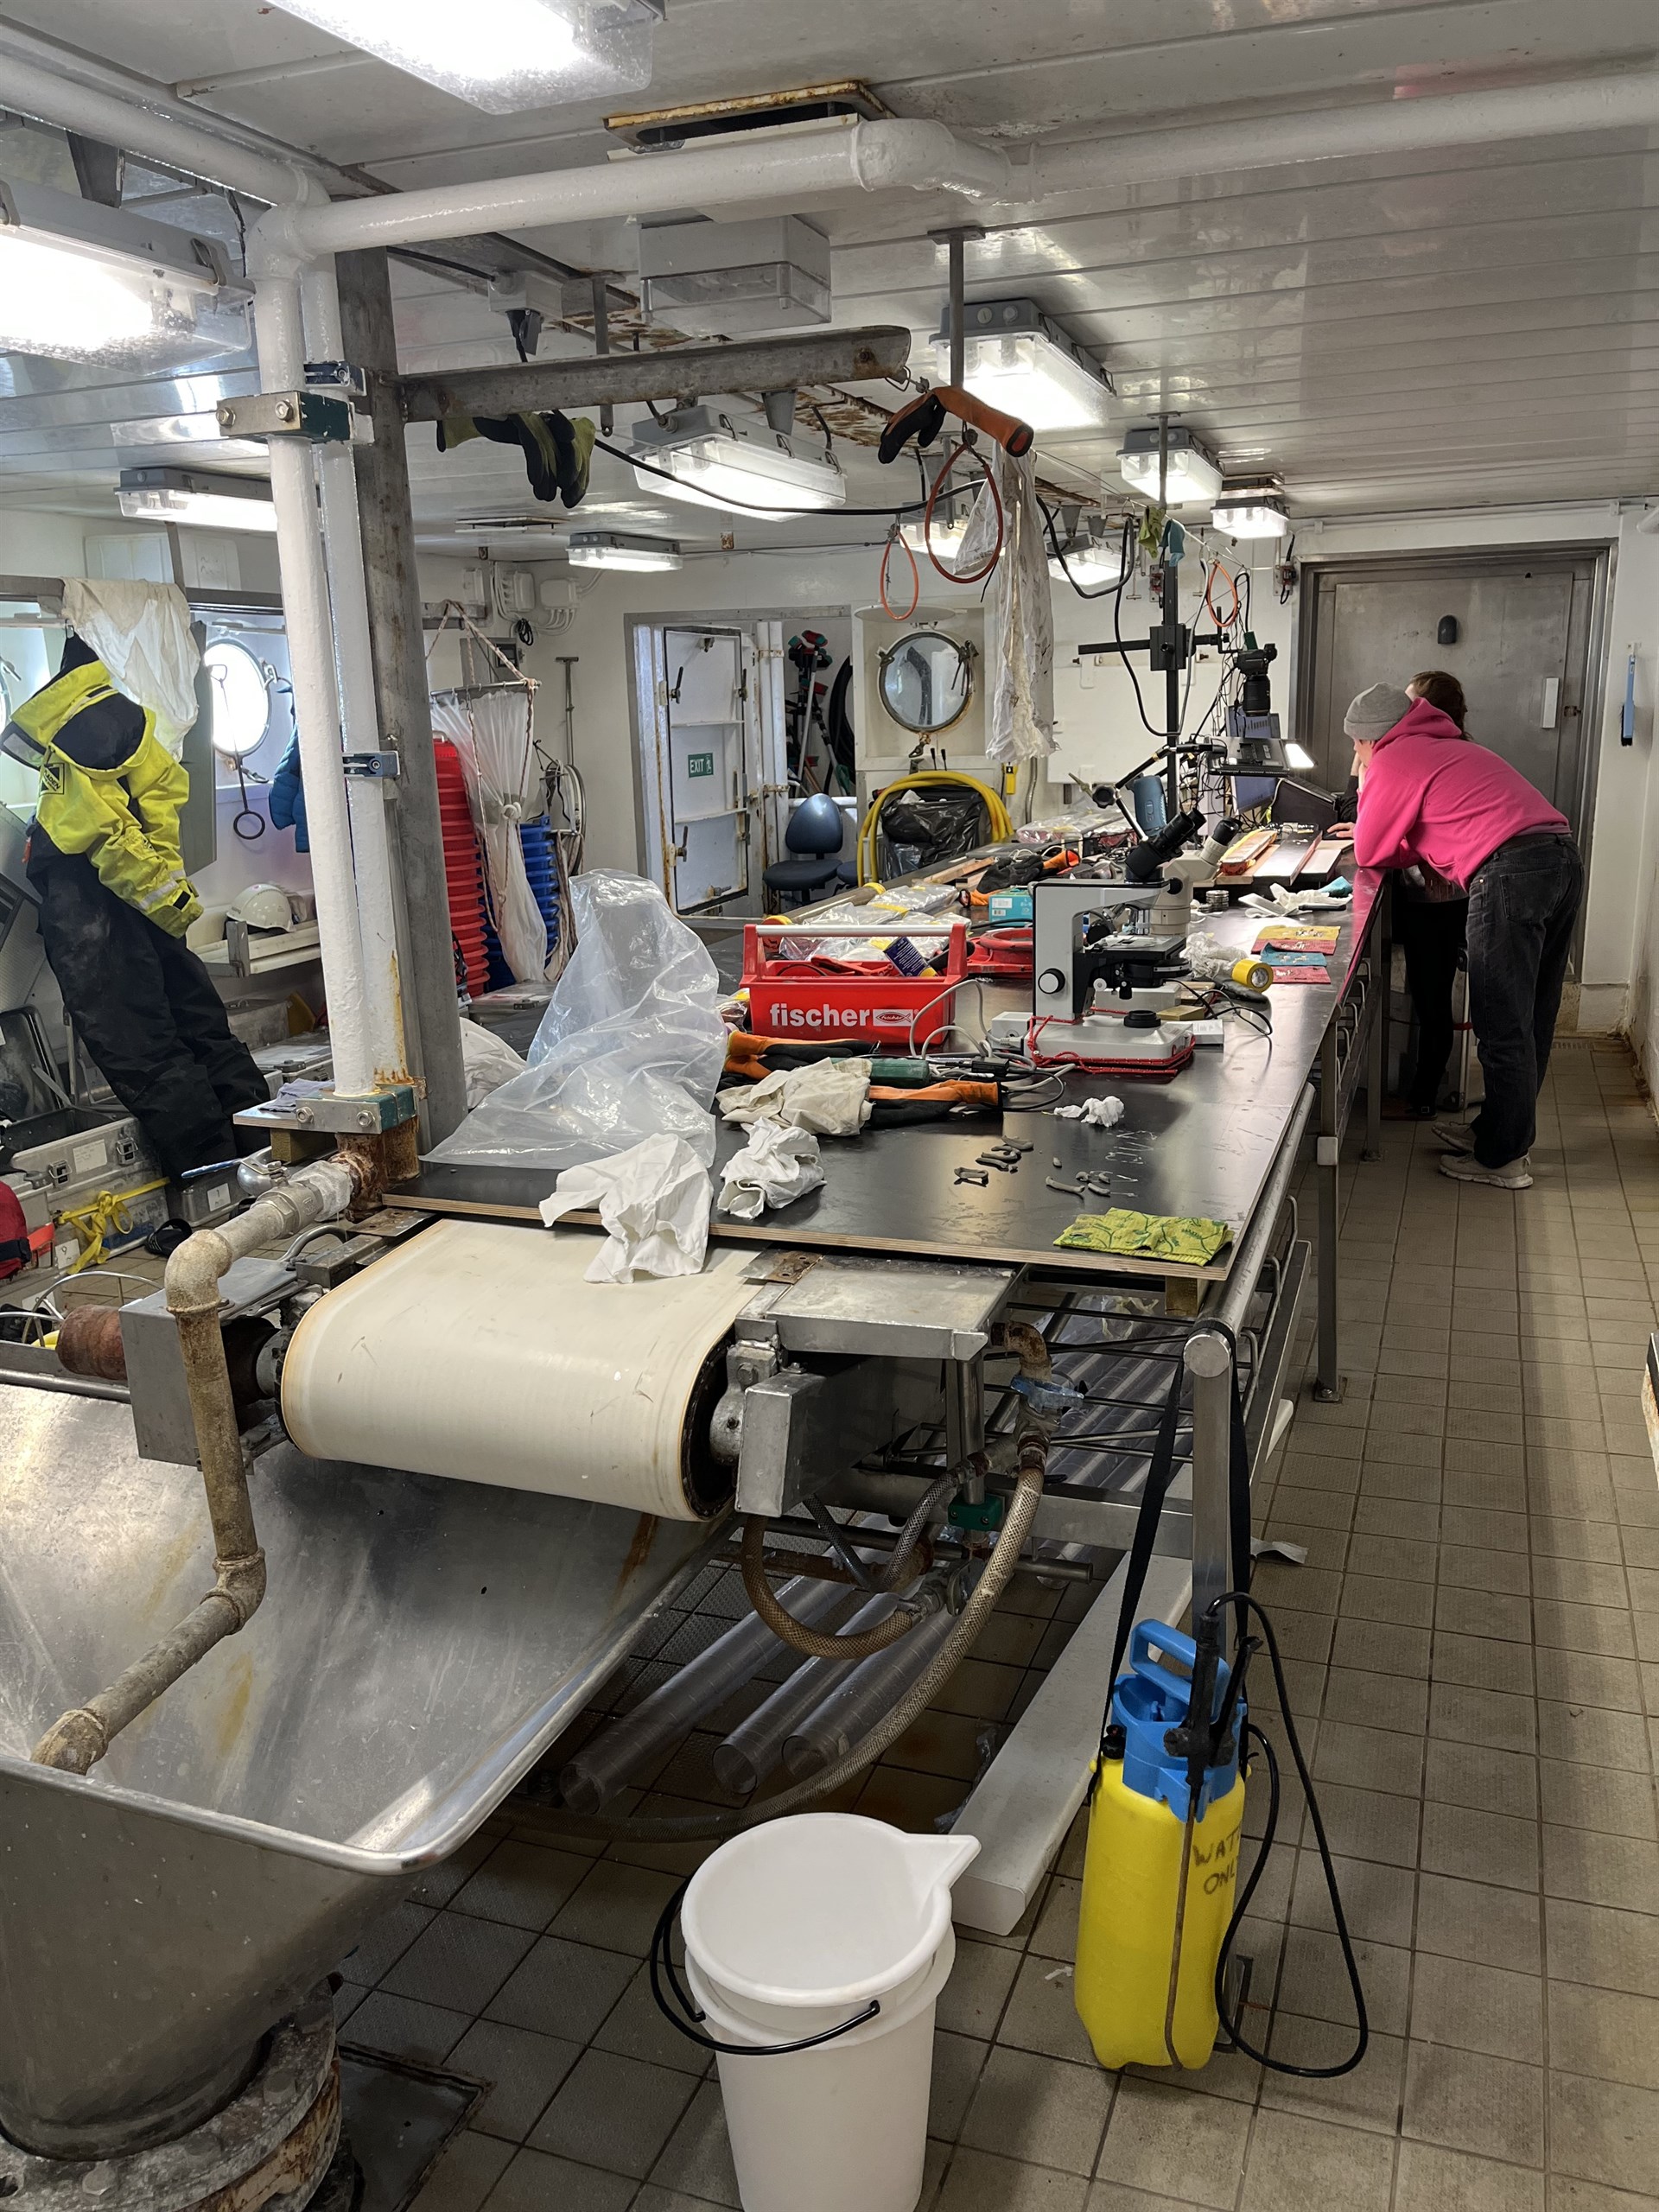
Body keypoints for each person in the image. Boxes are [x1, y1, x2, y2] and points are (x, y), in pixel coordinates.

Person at [1, 636, 268, 1178]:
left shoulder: (77, 735)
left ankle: (216, 1183)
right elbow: (156, 814)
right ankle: (269, 1152)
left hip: (98, 906)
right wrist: (170, 902)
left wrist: (158, 898)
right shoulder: (130, 722)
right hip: (148, 900)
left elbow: (106, 835)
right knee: (202, 1030)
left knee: (144, 1053)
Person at [1345, 681, 1582, 1189]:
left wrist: (1367, 781)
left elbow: (1369, 850)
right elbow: (1430, 830)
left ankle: (1502, 1159)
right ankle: (1498, 1132)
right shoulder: (1443, 744)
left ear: (1368, 738)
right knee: (1531, 1015)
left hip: (1508, 872)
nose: (1357, 754)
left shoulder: (1391, 758)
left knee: (1501, 1022)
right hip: (1559, 858)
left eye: (1357, 745)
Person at [1390, 671, 1470, 1118]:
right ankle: (1418, 1090)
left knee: (1432, 999)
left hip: (1438, 902)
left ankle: (1421, 1098)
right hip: (1437, 900)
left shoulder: (1429, 756)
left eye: (1410, 704)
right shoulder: (1452, 750)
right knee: (1430, 996)